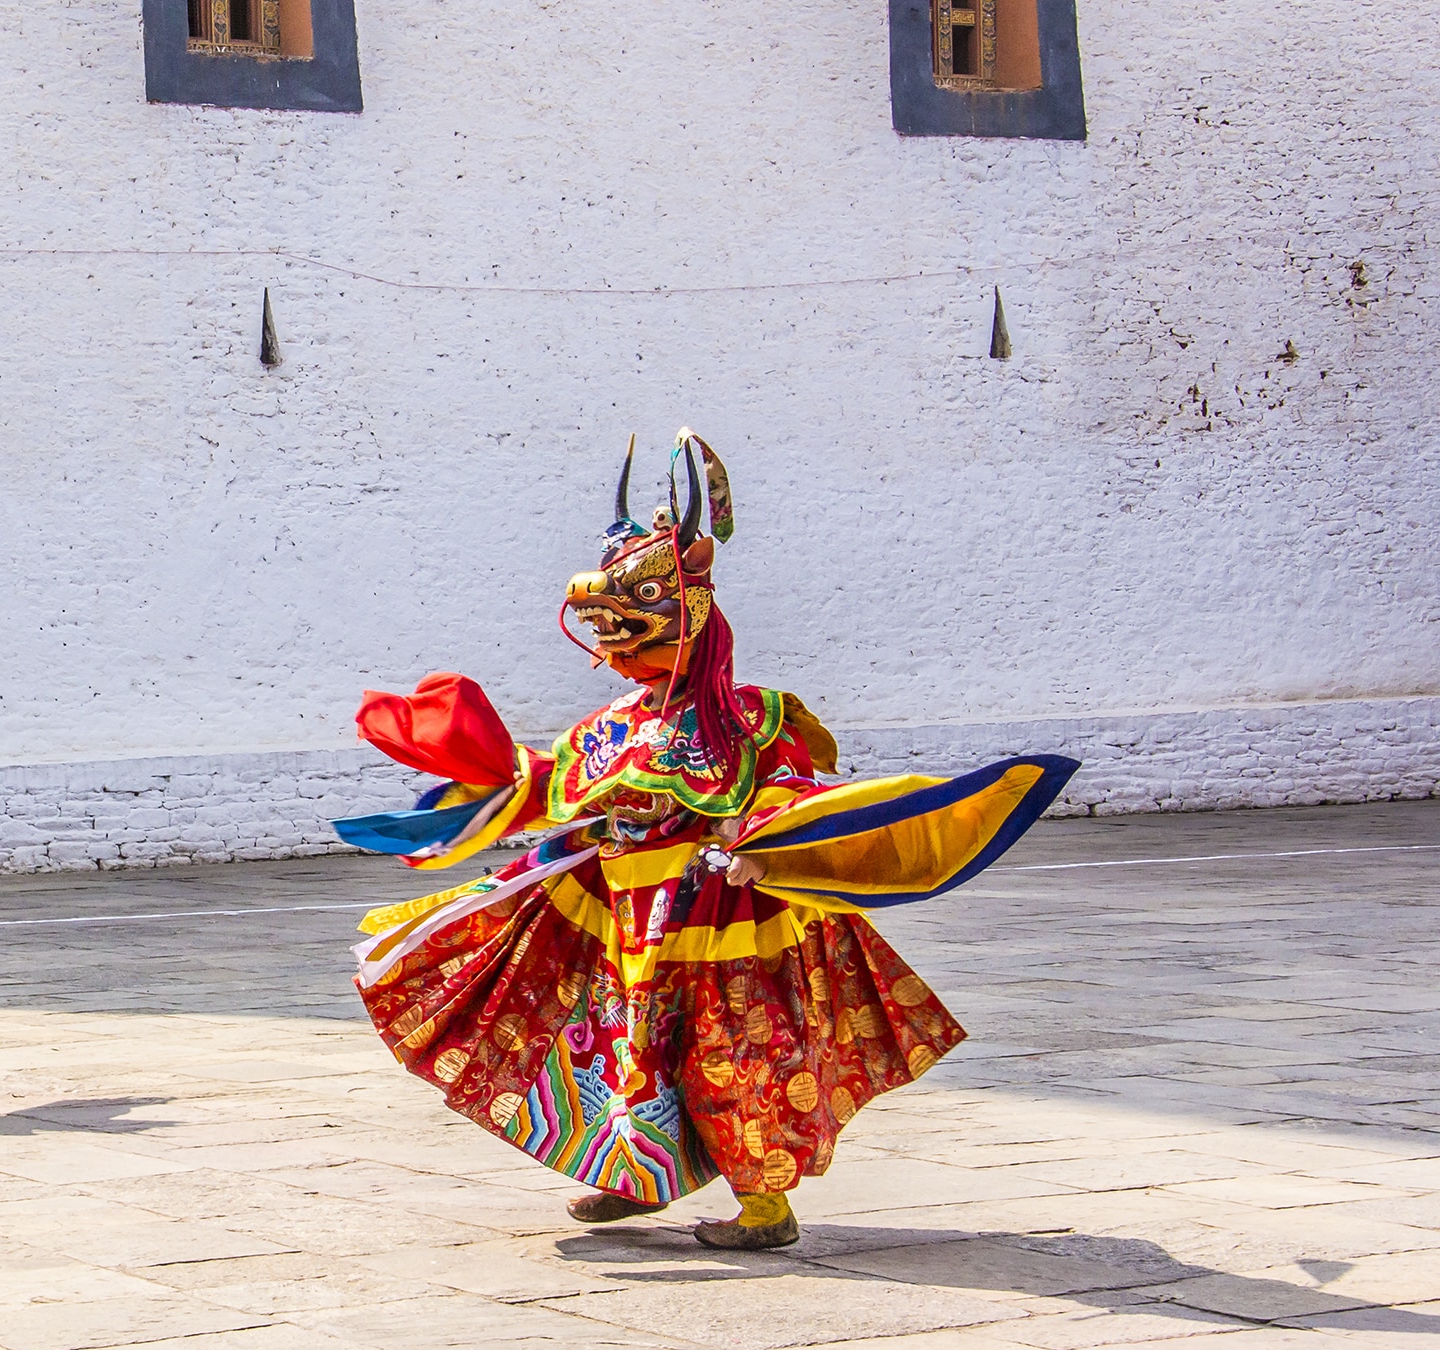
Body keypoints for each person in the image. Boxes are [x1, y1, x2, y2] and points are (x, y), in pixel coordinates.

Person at [336, 433, 1073, 1248]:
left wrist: (762, 837)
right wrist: (471, 766)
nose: (614, 649)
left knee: (734, 1050)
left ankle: (765, 1207)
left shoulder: (752, 717)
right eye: (607, 631)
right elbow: (554, 791)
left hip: (723, 916)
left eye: (633, 628)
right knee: (622, 1049)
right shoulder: (613, 724)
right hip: (623, 917)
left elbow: (791, 790)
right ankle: (635, 1174)